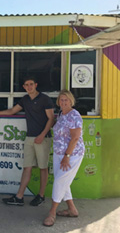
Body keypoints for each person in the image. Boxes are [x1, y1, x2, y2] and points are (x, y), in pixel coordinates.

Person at [0, 76, 55, 206]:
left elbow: (51, 119)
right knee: (26, 167)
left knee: (43, 168)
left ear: (36, 85)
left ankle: (41, 195)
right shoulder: (25, 99)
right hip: (30, 137)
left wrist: (42, 135)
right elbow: (12, 111)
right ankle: (19, 197)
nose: (29, 87)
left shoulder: (44, 99)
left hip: (43, 138)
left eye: (31, 84)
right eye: (26, 85)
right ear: (24, 87)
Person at [43, 90, 85, 227]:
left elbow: (75, 138)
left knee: (60, 181)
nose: (63, 102)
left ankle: (52, 212)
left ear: (71, 101)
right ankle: (72, 209)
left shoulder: (75, 115)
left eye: (66, 100)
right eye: (61, 100)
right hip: (59, 154)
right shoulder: (61, 114)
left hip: (71, 155)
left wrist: (67, 156)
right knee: (62, 181)